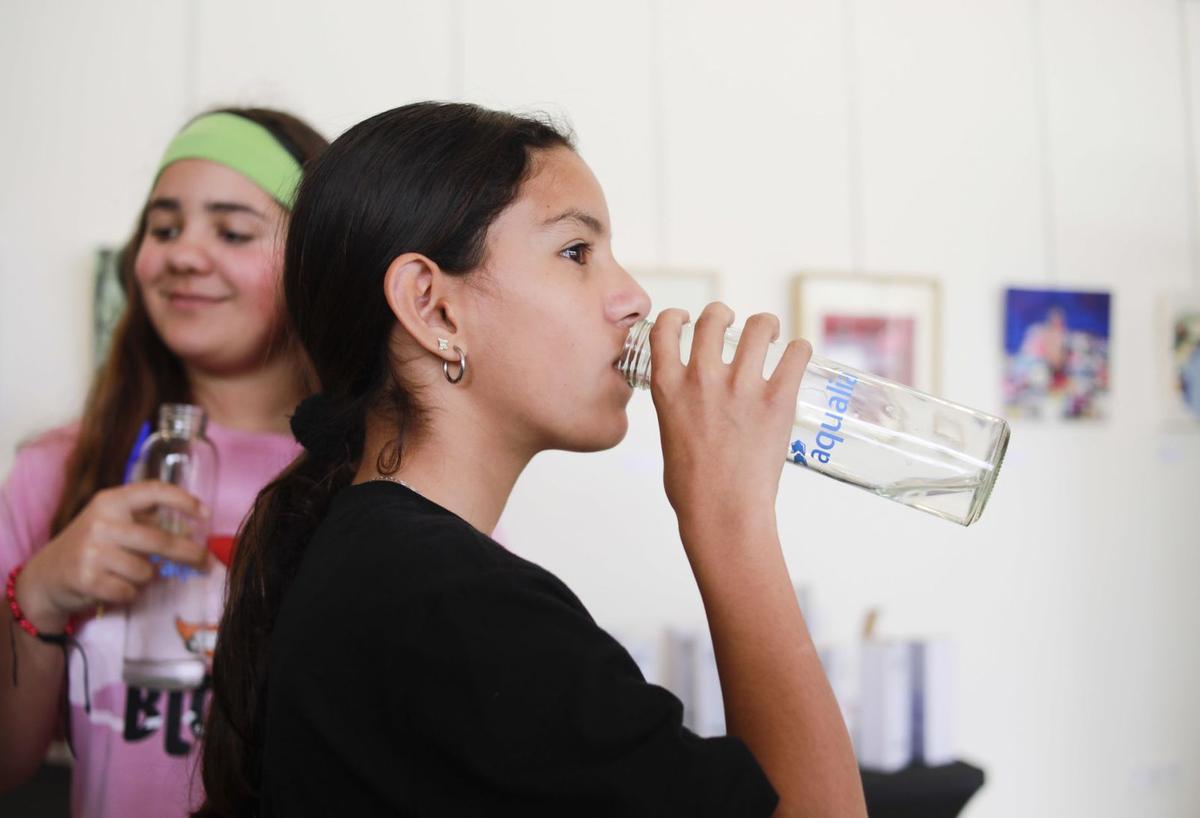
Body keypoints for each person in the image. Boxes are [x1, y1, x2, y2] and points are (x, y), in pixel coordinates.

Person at [198, 101, 867, 818]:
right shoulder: (447, 603)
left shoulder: (373, 562)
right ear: (434, 308)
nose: (634, 299)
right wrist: (732, 521)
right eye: (577, 252)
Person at [0, 108, 328, 818]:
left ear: (315, 262)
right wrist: (43, 595)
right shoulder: (54, 469)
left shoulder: (382, 478)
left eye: (233, 231)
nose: (183, 255)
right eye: (164, 227)